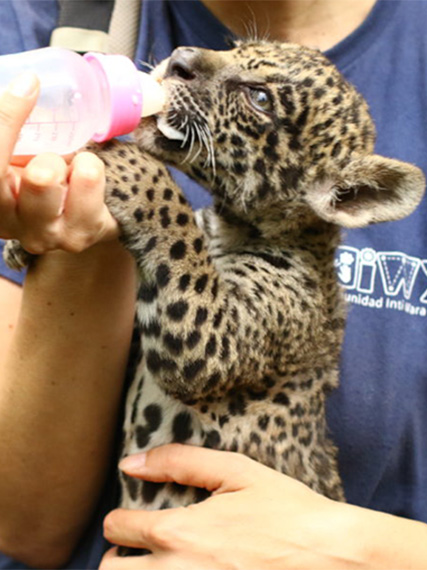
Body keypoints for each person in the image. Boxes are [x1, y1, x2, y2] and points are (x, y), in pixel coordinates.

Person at [0, 0, 427, 568]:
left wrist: (378, 554)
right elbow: (21, 526)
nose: (188, 59)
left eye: (256, 97)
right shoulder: (42, 22)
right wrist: (61, 236)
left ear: (339, 196)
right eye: (235, 57)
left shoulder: (297, 293)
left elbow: (197, 358)